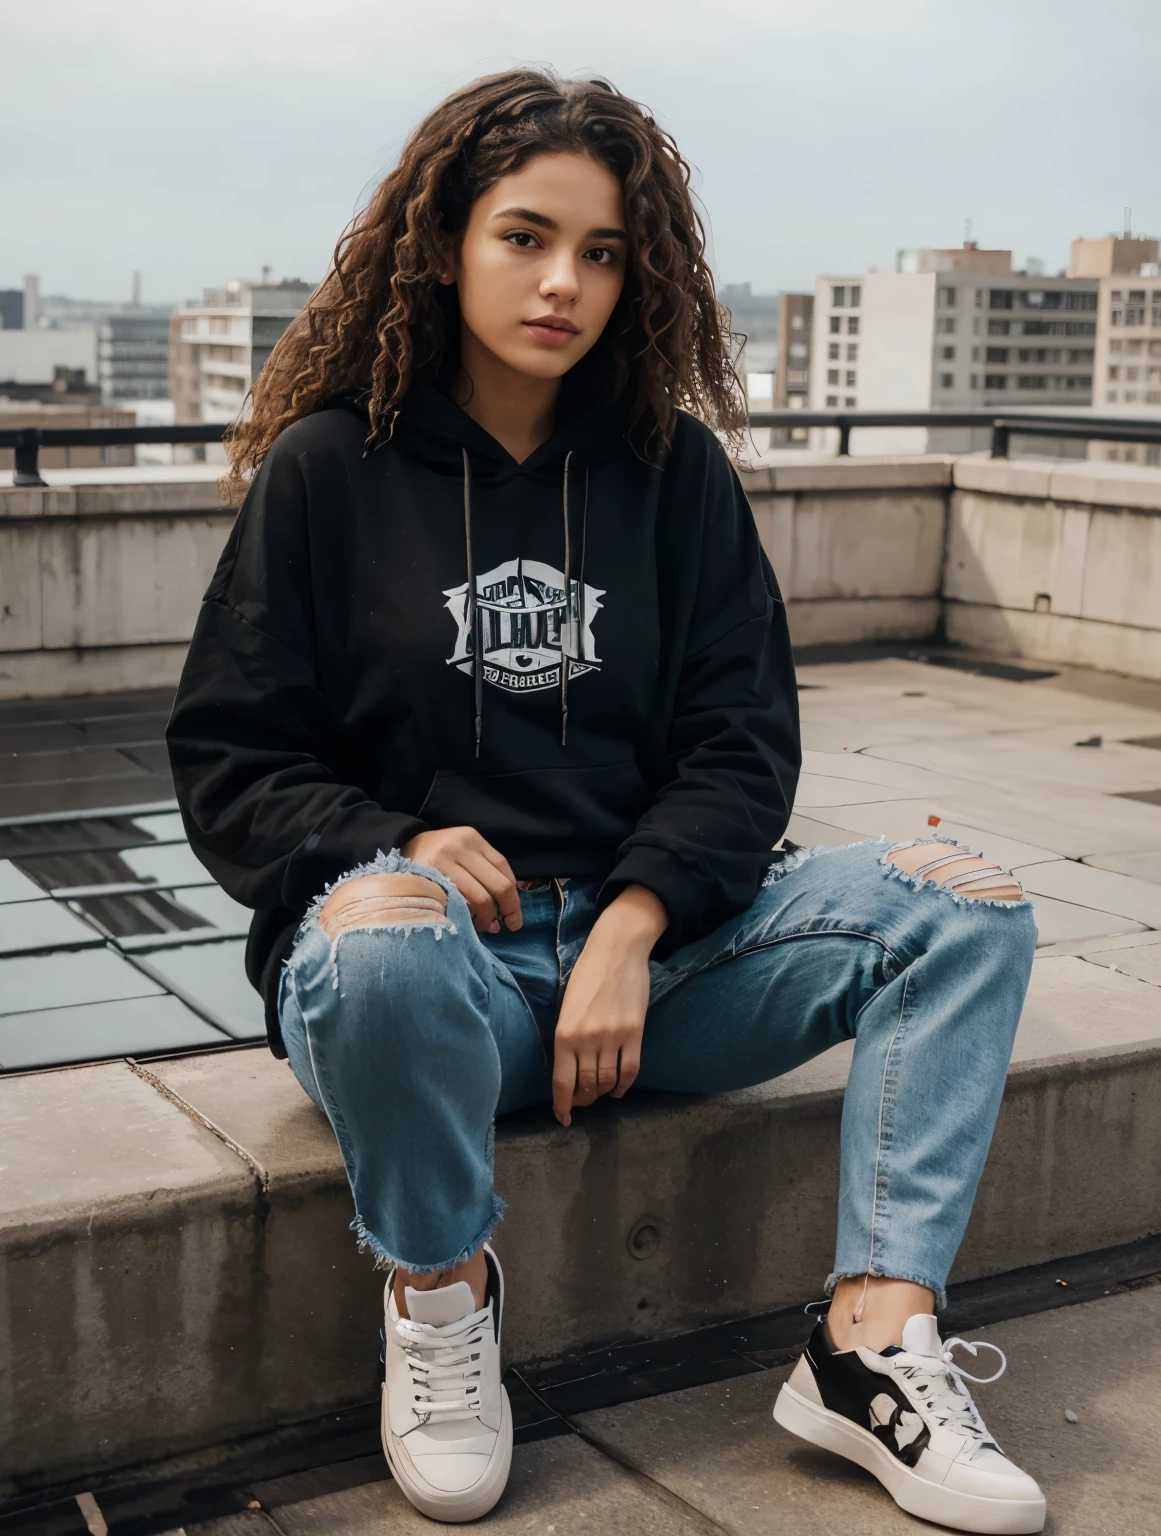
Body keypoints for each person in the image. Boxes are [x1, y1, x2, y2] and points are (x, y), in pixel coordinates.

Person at [168, 69, 1045, 1534]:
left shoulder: (672, 473)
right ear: (444, 241)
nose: (562, 281)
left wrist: (634, 924)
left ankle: (870, 1348)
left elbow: (743, 746)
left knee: (967, 907)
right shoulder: (331, 470)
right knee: (380, 939)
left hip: (665, 974)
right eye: (525, 236)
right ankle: (440, 1304)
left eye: (604, 251)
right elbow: (232, 756)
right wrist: (395, 842)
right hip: (432, 985)